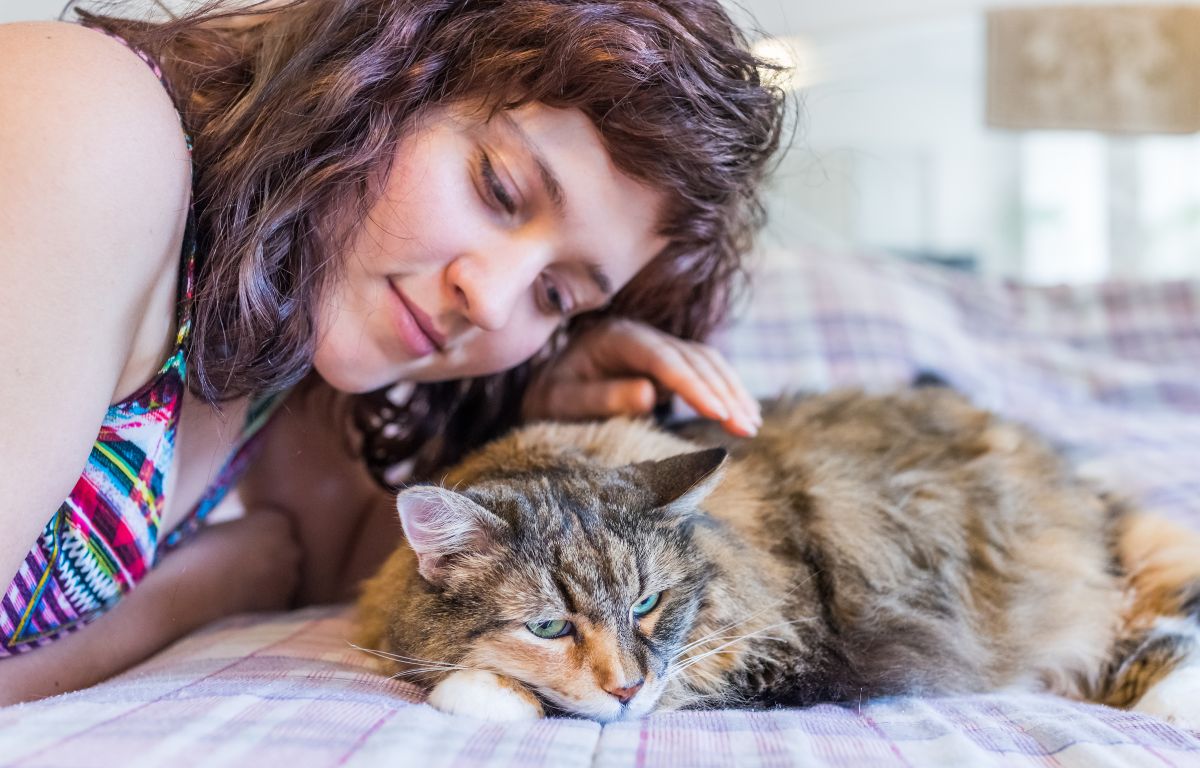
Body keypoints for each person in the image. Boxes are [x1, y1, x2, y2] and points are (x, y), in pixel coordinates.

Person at [0, 0, 784, 703]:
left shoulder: (281, 336)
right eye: (498, 188)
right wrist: (201, 592)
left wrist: (541, 431)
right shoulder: (82, 117)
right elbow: (275, 563)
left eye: (556, 296)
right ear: (386, 72)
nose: (493, 299)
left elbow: (335, 562)